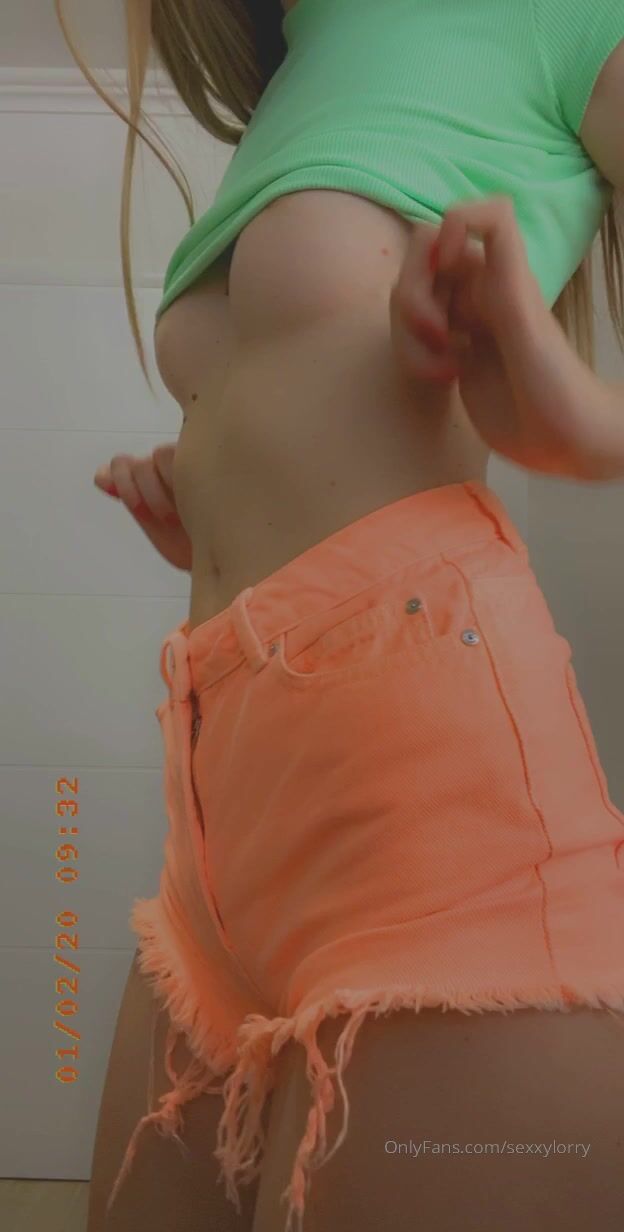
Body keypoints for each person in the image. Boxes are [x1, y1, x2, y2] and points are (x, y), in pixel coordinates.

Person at [55, 1, 624, 1229]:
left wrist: (579, 419)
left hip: (433, 815)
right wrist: (221, 486)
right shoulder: (312, 43)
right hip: (220, 823)